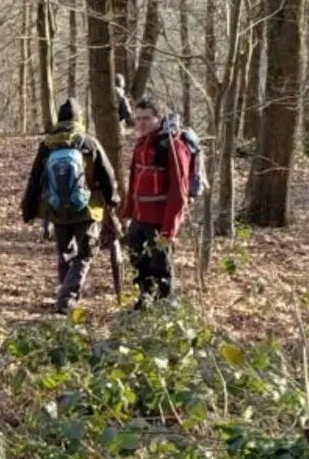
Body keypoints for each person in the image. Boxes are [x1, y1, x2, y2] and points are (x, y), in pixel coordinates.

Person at [21, 98, 118, 311]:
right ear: (79, 119)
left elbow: (35, 178)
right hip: (87, 209)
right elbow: (107, 174)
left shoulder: (47, 145)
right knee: (85, 254)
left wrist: (28, 209)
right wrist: (113, 199)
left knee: (65, 253)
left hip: (56, 210)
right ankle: (66, 301)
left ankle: (66, 296)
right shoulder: (89, 142)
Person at [123, 93, 192, 305]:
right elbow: (134, 181)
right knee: (137, 259)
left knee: (161, 266)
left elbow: (179, 191)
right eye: (138, 118)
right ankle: (145, 298)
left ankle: (165, 307)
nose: (141, 123)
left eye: (146, 118)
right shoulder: (141, 144)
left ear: (159, 118)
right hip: (139, 218)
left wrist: (168, 230)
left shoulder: (172, 146)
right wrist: (128, 213)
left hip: (159, 221)